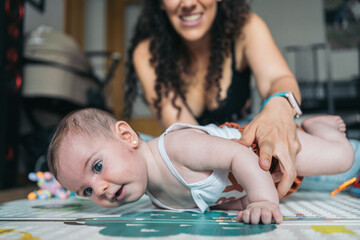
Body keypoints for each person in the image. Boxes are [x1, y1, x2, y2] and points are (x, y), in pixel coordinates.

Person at [47, 108, 354, 225]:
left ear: (128, 136)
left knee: (342, 159)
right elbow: (217, 197)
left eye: (97, 166)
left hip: (265, 149)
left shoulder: (176, 148)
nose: (98, 188)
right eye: (86, 190)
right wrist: (246, 203)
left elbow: (241, 157)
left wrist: (263, 200)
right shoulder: (158, 197)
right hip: (266, 181)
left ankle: (316, 126)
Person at [124, 0, 303, 198]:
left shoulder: (245, 27)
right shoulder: (147, 53)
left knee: (311, 150)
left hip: (245, 137)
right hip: (195, 151)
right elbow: (188, 137)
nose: (189, 3)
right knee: (143, 149)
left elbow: (277, 79)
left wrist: (278, 107)